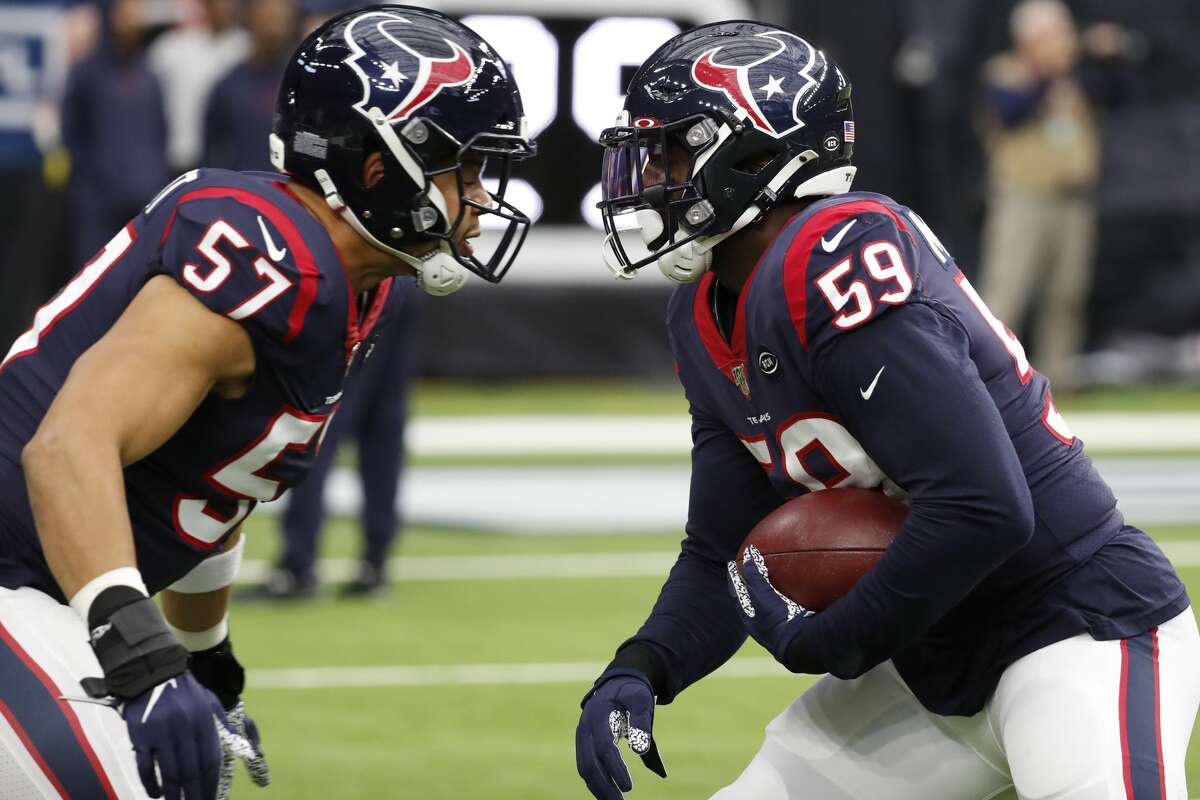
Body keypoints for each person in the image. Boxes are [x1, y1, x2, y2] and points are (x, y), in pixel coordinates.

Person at [575, 20, 1197, 800]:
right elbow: (721, 547)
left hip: (1072, 623)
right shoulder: (703, 312)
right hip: (935, 661)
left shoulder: (837, 254)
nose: (649, 176)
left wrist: (832, 639)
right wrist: (643, 667)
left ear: (757, 157)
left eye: (671, 152)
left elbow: (985, 506)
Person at [0, 5, 535, 798]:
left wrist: (205, 655)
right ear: (380, 168)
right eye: (467, 168)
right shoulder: (270, 257)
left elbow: (211, 483)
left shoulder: (350, 287)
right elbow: (68, 446)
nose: (483, 199)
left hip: (46, 585)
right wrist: (141, 651)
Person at [976, 0, 1126, 388]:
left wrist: (1102, 56)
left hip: (1072, 200)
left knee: (1066, 294)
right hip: (1023, 199)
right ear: (1029, 38)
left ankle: (1059, 379)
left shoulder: (1075, 79)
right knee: (1007, 290)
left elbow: (1113, 94)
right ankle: (989, 377)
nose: (1064, 41)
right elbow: (1010, 113)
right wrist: (1047, 72)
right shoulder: (1005, 72)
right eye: (1054, 34)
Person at [61, 0, 168, 268]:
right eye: (126, 13)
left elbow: (159, 131)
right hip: (98, 203)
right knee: (93, 277)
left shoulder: (150, 73)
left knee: (141, 277)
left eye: (137, 13)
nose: (133, 20)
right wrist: (93, 181)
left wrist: (154, 177)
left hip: (144, 199)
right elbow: (72, 132)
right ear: (110, 16)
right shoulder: (87, 72)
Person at [148, 0, 249, 173]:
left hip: (231, 160)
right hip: (181, 155)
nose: (225, 8)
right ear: (206, 5)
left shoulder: (246, 47)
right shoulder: (173, 47)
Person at [203, 0, 298, 172]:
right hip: (246, 187)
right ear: (250, 21)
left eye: (281, 20)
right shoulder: (229, 85)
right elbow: (211, 147)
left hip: (293, 188)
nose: (274, 30)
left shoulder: (300, 82)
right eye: (268, 19)